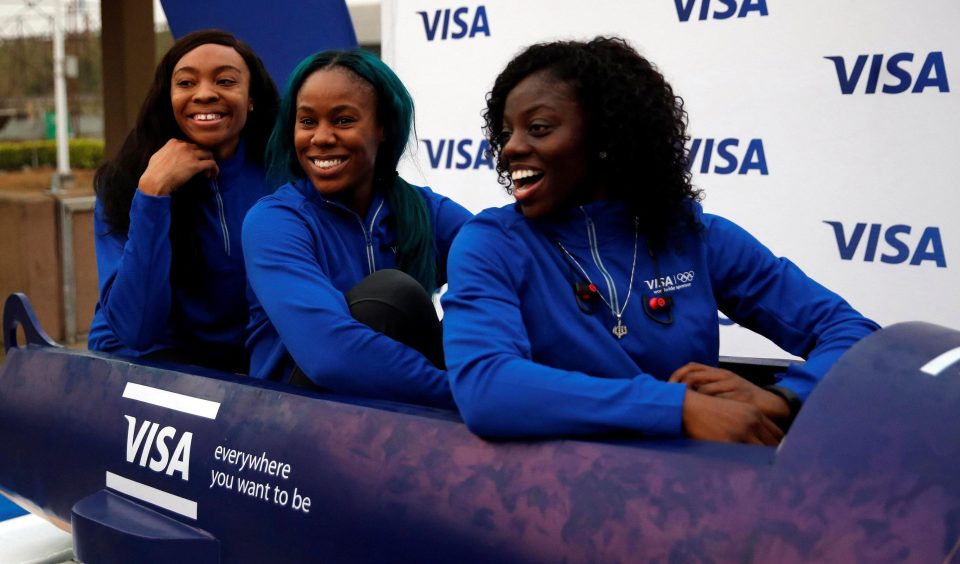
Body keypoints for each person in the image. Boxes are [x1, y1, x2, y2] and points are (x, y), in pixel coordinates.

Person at [442, 37, 880, 445]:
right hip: (564, 498)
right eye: (505, 133)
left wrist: (786, 398)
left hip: (700, 490)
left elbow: (854, 335)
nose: (509, 149)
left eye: (537, 128)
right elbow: (488, 387)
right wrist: (679, 409)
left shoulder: (695, 236)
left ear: (607, 138)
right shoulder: (490, 245)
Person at [242, 49, 472, 409]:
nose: (321, 137)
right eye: (307, 122)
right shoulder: (275, 220)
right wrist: (461, 395)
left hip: (394, 414)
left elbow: (509, 263)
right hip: (286, 423)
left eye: (343, 120)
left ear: (383, 128)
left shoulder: (425, 210)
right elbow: (329, 355)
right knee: (391, 295)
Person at [88, 29, 279, 373]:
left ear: (252, 97)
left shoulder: (282, 178)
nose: (205, 94)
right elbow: (137, 331)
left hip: (242, 364)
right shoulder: (124, 183)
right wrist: (152, 195)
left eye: (225, 81)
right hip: (141, 364)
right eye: (186, 83)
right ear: (168, 98)